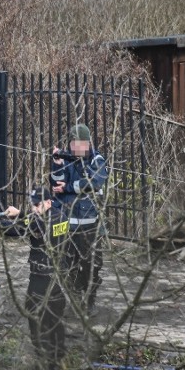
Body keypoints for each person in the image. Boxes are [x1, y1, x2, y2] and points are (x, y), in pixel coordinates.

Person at [0, 186, 68, 370]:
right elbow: (32, 220)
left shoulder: (38, 223)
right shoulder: (61, 216)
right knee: (55, 318)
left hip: (41, 278)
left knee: (35, 316)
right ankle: (58, 358)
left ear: (48, 202)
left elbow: (14, 230)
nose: (35, 208)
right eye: (33, 204)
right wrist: (20, 213)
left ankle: (43, 361)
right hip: (59, 277)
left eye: (37, 204)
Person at [50, 123, 108, 314]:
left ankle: (89, 299)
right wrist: (57, 165)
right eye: (73, 143)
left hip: (90, 226)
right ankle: (75, 297)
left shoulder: (96, 159)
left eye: (80, 143)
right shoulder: (66, 158)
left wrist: (69, 187)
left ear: (88, 143)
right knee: (66, 265)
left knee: (92, 265)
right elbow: (56, 182)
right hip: (67, 224)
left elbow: (95, 182)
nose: (76, 148)